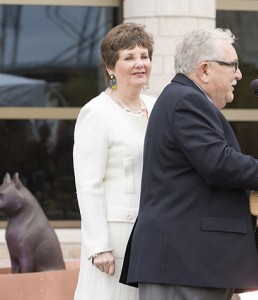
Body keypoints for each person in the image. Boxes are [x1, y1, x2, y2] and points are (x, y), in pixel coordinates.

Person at [120, 28, 258, 299]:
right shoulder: (185, 101)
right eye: (233, 66)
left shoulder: (185, 99)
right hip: (184, 264)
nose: (239, 75)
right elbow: (219, 163)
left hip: (193, 264)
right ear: (204, 70)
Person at [73, 22, 155, 300]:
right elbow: (88, 184)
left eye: (144, 56)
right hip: (115, 242)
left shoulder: (157, 107)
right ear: (110, 67)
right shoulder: (96, 113)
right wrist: (99, 246)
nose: (139, 63)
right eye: (129, 57)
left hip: (153, 235)